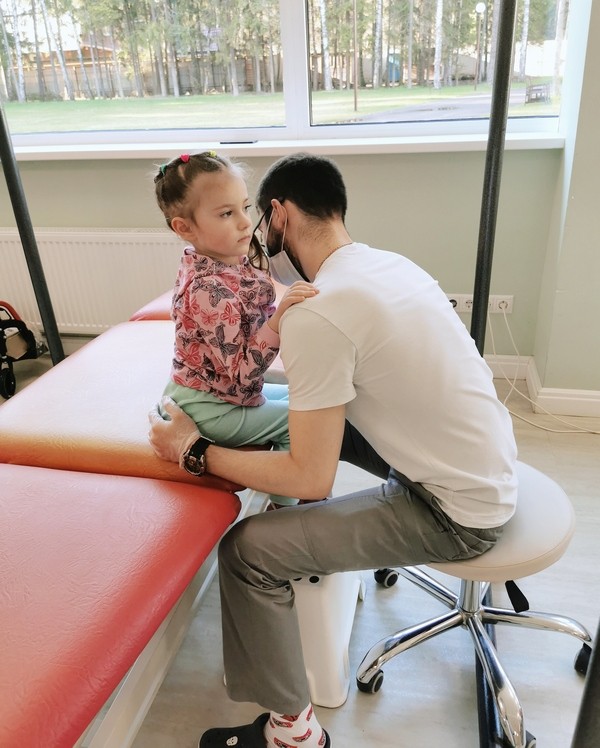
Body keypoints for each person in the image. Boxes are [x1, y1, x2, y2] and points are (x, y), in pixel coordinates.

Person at [148, 152, 518, 748]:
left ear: (278, 215)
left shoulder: (318, 312)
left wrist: (193, 450)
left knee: (246, 553)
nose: (249, 232)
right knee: (316, 427)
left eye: (251, 215)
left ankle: (292, 733)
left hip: (455, 513)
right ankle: (303, 537)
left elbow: (311, 477)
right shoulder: (389, 265)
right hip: (488, 468)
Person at [153, 150, 317, 507]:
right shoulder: (208, 290)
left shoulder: (222, 260)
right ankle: (283, 513)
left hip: (219, 393)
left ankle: (298, 491)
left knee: (307, 401)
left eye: (244, 207)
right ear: (184, 228)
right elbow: (243, 372)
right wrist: (277, 321)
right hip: (209, 407)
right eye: (226, 214)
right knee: (298, 422)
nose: (245, 222)